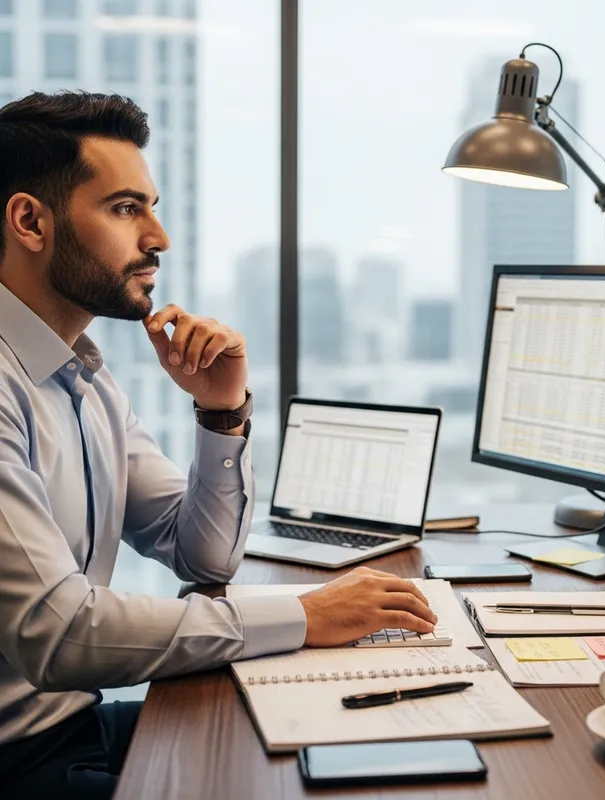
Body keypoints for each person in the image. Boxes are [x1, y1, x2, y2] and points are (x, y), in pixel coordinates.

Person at [0, 91, 437, 799]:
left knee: (323, 748)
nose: (159, 236)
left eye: (152, 205)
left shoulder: (82, 374)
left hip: (75, 726)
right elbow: (59, 633)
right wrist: (304, 613)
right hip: (20, 762)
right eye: (124, 208)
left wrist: (221, 412)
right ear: (30, 221)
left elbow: (201, 554)